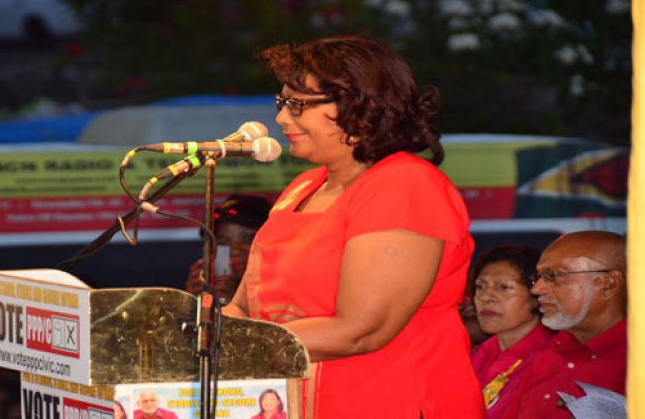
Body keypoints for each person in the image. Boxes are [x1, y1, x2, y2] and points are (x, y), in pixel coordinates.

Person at [223, 35, 483, 418]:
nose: (281, 118)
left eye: (297, 104)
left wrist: (224, 344)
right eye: (282, 103)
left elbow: (361, 330)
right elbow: (247, 306)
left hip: (390, 403)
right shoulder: (303, 187)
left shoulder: (405, 185)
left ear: (358, 105)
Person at [499, 230, 627, 418]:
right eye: (539, 277)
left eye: (553, 276)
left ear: (609, 284)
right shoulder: (548, 356)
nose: (536, 289)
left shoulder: (635, 359)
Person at [470, 244, 555, 418]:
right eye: (480, 287)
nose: (486, 297)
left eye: (504, 287)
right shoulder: (481, 353)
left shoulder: (550, 359)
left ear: (536, 295)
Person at [184, 194, 271, 303]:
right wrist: (190, 304)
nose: (234, 251)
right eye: (223, 243)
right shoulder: (211, 293)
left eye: (248, 239)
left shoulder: (284, 295)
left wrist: (234, 305)